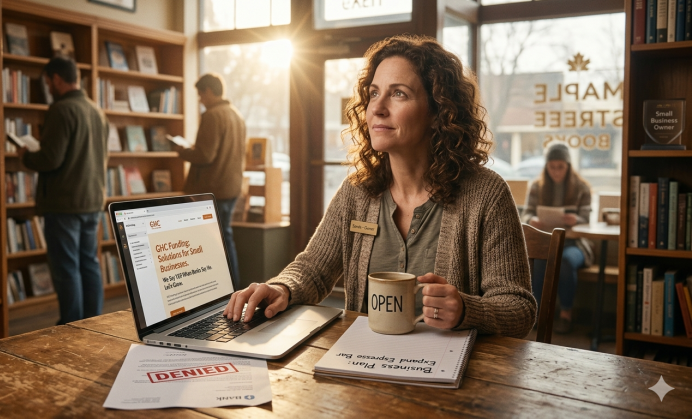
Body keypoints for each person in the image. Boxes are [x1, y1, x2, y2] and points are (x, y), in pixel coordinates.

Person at [223, 35, 537, 339]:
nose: (377, 108)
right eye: (374, 93)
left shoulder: (486, 194)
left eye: (398, 93)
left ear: (439, 110)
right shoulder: (357, 191)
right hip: (363, 366)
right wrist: (282, 288)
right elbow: (313, 269)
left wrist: (467, 310)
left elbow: (519, 309)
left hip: (454, 379)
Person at [20, 57, 108, 325]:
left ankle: (71, 326)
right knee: (89, 263)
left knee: (67, 268)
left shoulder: (61, 109)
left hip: (64, 203)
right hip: (92, 200)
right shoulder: (96, 110)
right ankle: (92, 323)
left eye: (48, 82)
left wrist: (26, 155)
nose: (48, 88)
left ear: (57, 78)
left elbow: (51, 159)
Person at [178, 73, 246, 289]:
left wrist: (183, 151)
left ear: (208, 91)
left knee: (207, 243)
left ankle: (213, 290)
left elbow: (205, 155)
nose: (200, 100)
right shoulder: (236, 115)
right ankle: (232, 288)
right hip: (231, 187)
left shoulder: (212, 116)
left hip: (211, 188)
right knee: (225, 239)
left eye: (200, 95)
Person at [521, 142, 593, 334]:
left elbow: (587, 218)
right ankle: (536, 313)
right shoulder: (537, 186)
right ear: (546, 167)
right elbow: (526, 214)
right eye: (552, 167)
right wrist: (532, 219)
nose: (556, 171)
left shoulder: (581, 188)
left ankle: (566, 314)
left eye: (560, 167)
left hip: (573, 243)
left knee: (566, 261)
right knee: (540, 262)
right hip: (546, 241)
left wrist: (575, 219)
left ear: (568, 166)